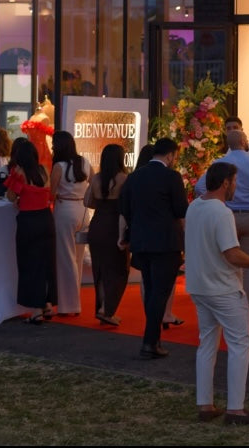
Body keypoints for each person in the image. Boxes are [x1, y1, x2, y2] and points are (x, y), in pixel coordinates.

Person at [186, 161, 249, 425]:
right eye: (235, 182)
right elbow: (232, 254)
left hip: (199, 286)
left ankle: (205, 404)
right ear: (225, 183)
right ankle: (235, 409)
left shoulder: (194, 207)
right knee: (239, 345)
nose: (236, 187)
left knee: (207, 344)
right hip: (222, 288)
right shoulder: (221, 213)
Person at [120, 137, 189, 358]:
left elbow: (125, 208)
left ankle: (153, 339)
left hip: (141, 241)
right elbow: (180, 211)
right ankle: (150, 341)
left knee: (151, 290)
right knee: (160, 291)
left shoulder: (135, 177)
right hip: (165, 242)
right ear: (170, 156)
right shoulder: (172, 177)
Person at [196, 129, 249, 303]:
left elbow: (199, 188)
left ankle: (226, 300)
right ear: (243, 141)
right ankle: (244, 304)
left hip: (227, 216)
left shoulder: (220, 163)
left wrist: (217, 202)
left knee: (226, 261)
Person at [4, 137, 57, 325]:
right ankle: (48, 303)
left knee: (30, 265)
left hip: (29, 222)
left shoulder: (18, 172)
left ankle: (36, 311)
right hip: (46, 219)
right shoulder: (44, 171)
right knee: (46, 263)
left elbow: (10, 197)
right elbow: (49, 193)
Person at [84, 143, 129, 326]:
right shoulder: (124, 179)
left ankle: (102, 307)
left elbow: (88, 201)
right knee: (118, 269)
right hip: (115, 225)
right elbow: (126, 208)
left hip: (98, 225)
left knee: (100, 269)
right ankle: (107, 310)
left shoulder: (96, 178)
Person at [49, 131, 90, 317]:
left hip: (65, 209)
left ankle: (69, 305)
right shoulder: (84, 163)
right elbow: (94, 183)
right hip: (82, 211)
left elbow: (51, 192)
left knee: (66, 258)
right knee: (78, 258)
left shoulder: (59, 166)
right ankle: (76, 302)